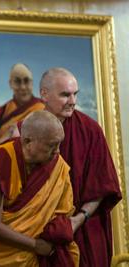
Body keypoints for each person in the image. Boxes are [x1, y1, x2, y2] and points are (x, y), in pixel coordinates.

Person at [0, 110, 79, 266]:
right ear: (28, 141)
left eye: (59, 144)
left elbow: (62, 212)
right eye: (52, 145)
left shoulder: (57, 165)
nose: (58, 151)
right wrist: (35, 245)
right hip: (1, 255)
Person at [40, 68, 121, 267]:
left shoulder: (90, 130)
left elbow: (102, 184)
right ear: (44, 94)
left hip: (84, 226)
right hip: (41, 232)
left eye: (75, 94)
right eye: (65, 94)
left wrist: (78, 220)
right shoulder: (28, 130)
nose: (73, 101)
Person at [0, 63, 44, 150]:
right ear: (10, 84)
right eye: (17, 81)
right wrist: (6, 138)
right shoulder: (1, 111)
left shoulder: (43, 108)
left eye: (26, 81)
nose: (23, 87)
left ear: (32, 83)